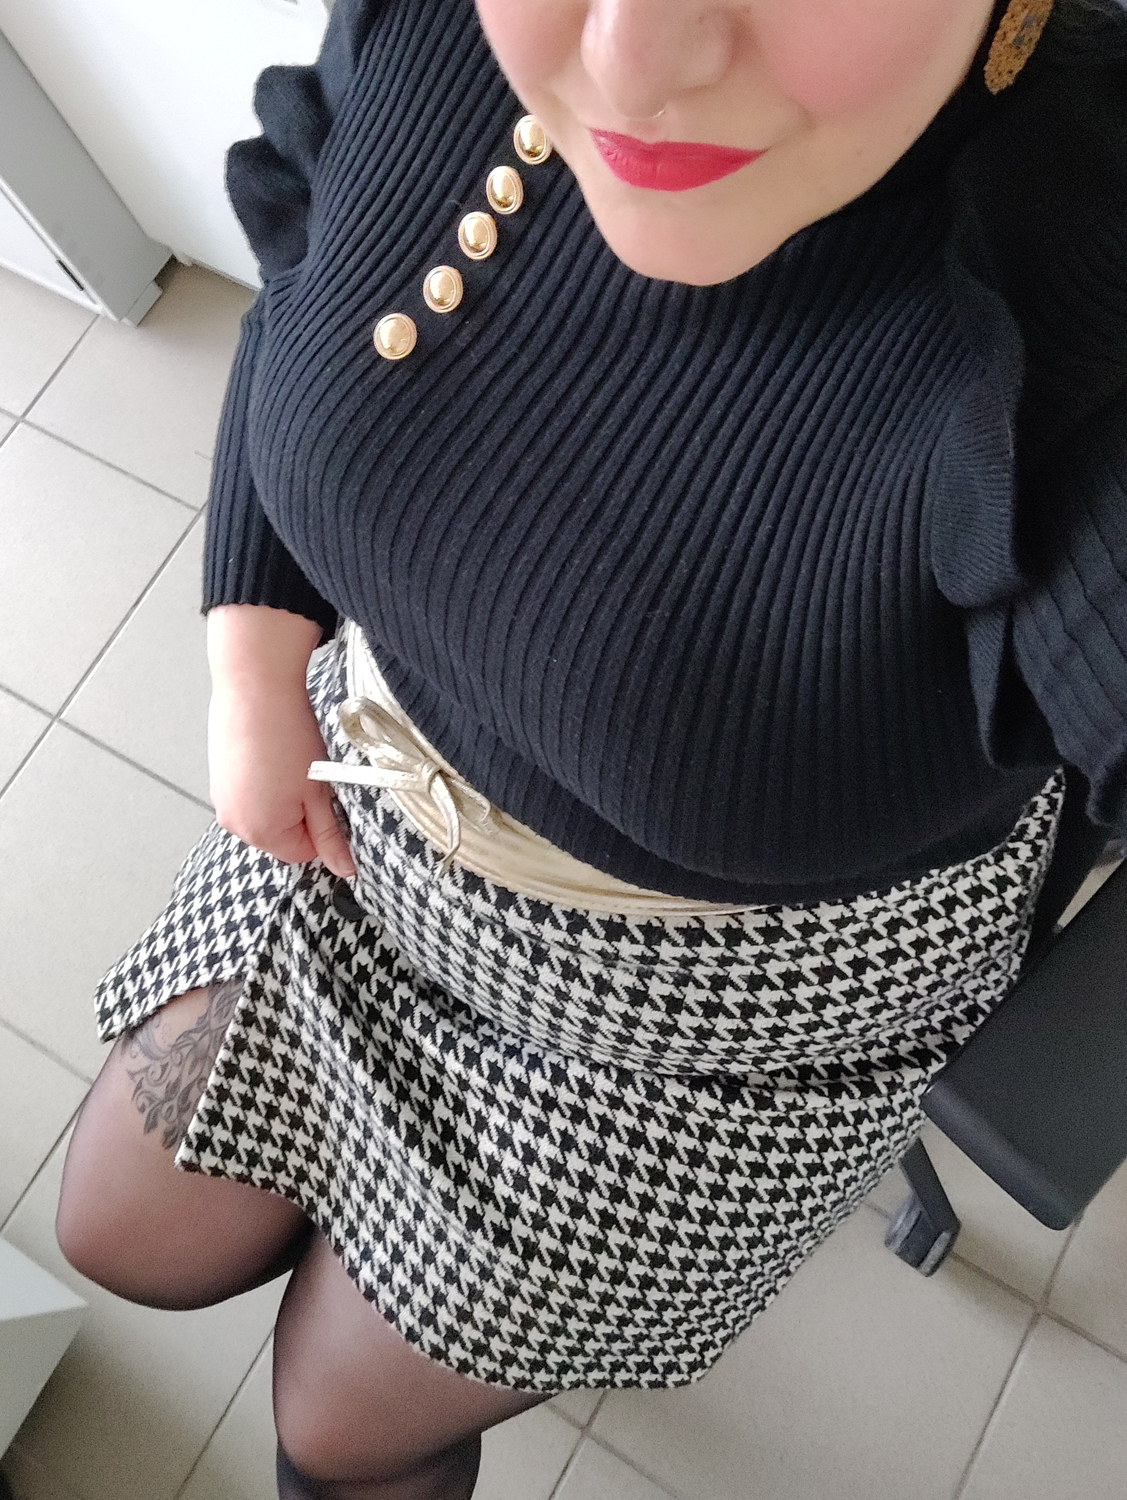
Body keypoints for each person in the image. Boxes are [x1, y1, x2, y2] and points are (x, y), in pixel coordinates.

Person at [55, 0, 1127, 1496]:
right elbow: (306, 259)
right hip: (359, 807)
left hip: (718, 1030)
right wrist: (254, 658)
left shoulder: (1077, 269)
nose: (626, 59)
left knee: (336, 1428)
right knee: (117, 1233)